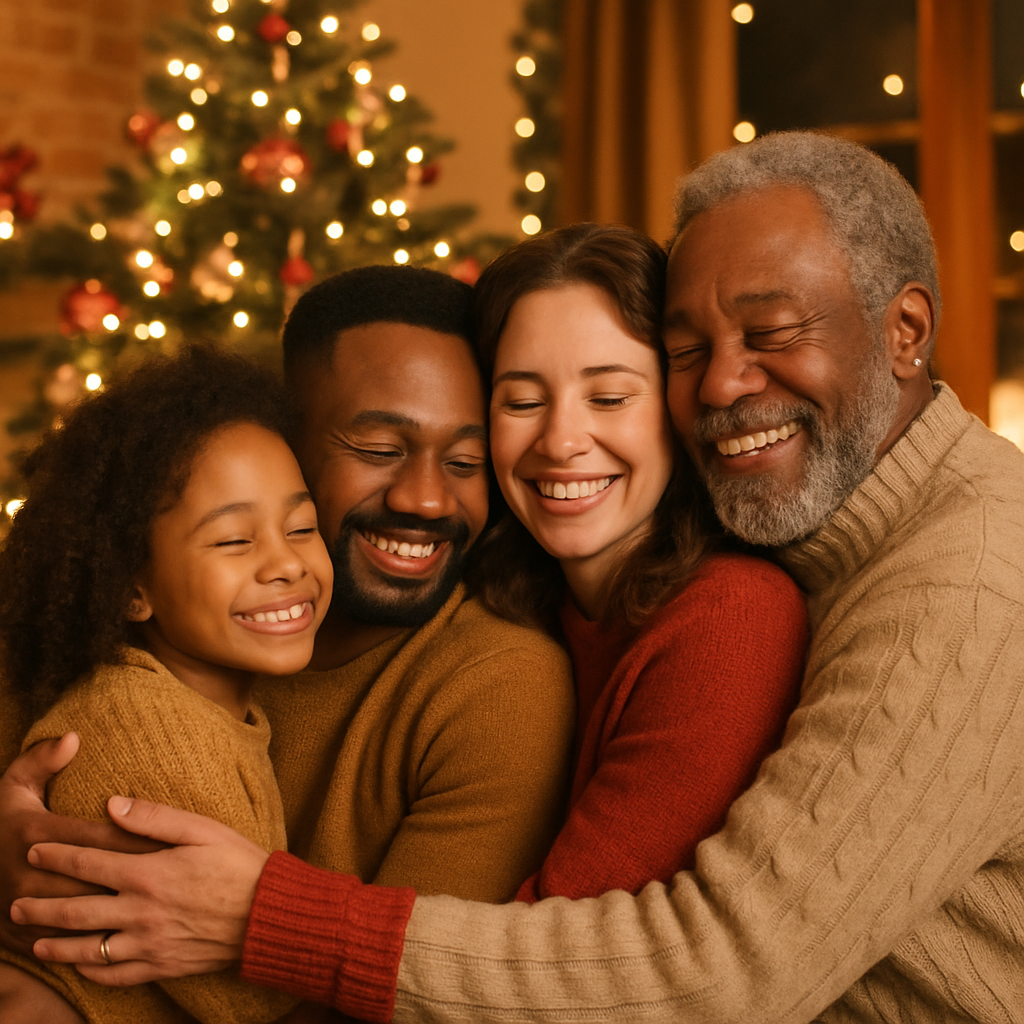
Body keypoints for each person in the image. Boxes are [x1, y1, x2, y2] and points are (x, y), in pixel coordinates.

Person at [8, 132, 1024, 1022]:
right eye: (519, 397)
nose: (721, 384)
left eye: (770, 333)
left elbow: (712, 975)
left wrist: (253, 914)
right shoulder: (577, 577)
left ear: (904, 330)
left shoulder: (944, 588)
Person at [0, 267, 576, 1020]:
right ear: (284, 438)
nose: (427, 499)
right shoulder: (103, 640)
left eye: (464, 463)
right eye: (377, 448)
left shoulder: (494, 684)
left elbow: (412, 995)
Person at [468, 222, 806, 900]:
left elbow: (569, 944)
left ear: (679, 408)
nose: (561, 441)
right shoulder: (504, 610)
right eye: (523, 401)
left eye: (610, 397)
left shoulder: (733, 618)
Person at [0, 346, 335, 1022]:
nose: (287, 563)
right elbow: (252, 1003)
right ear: (132, 588)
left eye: (302, 527)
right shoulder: (149, 736)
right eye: (234, 541)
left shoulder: (207, 706)